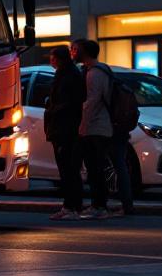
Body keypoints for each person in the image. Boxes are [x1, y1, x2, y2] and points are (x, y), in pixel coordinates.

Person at [71, 38, 111, 220]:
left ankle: (99, 206)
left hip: (96, 127)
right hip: (99, 126)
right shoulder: (102, 70)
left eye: (76, 49)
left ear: (84, 52)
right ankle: (98, 205)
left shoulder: (94, 73)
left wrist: (83, 125)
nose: (73, 52)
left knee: (95, 168)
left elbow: (92, 102)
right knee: (95, 167)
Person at [44, 45, 85, 221]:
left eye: (52, 57)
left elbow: (69, 103)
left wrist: (53, 110)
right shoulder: (69, 74)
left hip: (65, 128)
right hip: (64, 127)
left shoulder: (67, 76)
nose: (50, 61)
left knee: (68, 169)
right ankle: (73, 205)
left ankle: (70, 206)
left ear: (58, 58)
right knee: (69, 169)